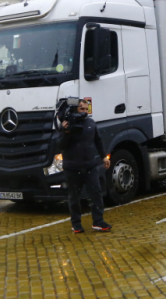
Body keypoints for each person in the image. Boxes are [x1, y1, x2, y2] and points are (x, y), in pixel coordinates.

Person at [58, 99, 112, 233]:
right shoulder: (68, 125)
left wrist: (104, 156)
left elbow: (98, 140)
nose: (84, 112)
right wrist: (66, 132)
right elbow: (60, 145)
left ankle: (98, 221)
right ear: (76, 109)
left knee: (96, 193)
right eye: (81, 109)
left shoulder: (91, 123)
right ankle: (76, 224)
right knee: (74, 197)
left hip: (90, 165)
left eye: (86, 109)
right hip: (72, 167)